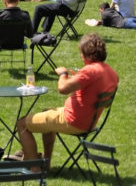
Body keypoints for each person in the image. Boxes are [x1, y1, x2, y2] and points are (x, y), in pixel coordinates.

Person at [15, 33, 117, 167]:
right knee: (47, 112)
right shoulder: (110, 72)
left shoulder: (90, 71)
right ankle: (46, 162)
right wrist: (76, 81)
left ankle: (34, 167)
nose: (81, 56)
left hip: (73, 121)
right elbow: (92, 91)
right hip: (89, 122)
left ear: (87, 54)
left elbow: (62, 89)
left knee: (22, 123)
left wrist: (63, 74)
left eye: (81, 53)